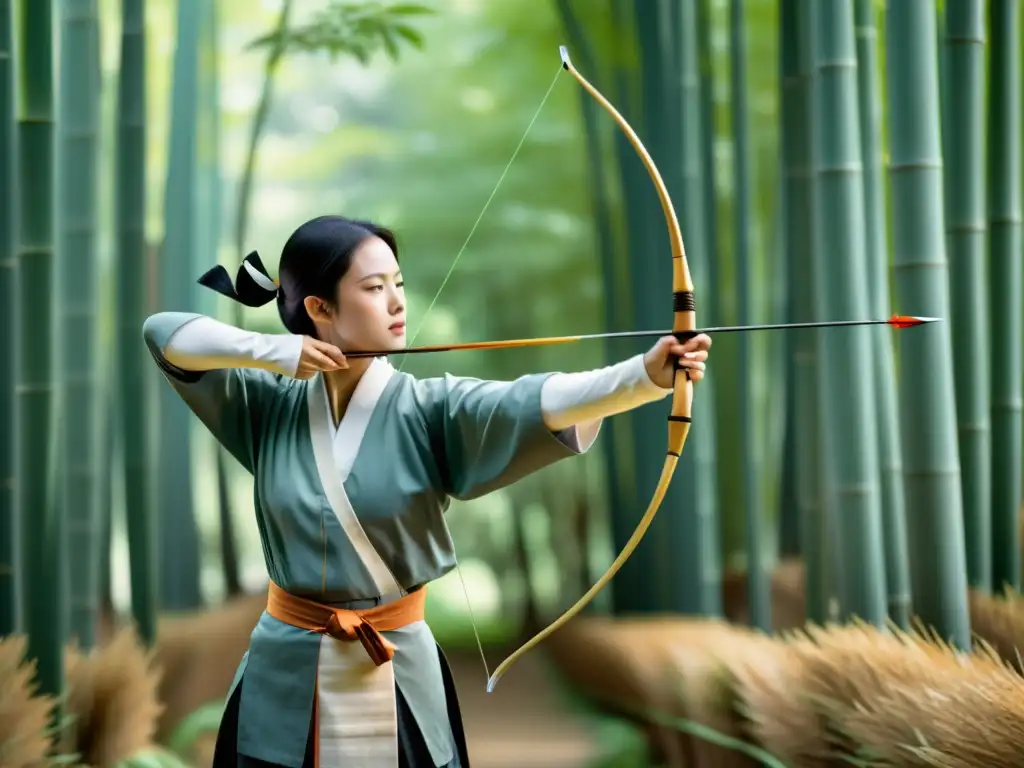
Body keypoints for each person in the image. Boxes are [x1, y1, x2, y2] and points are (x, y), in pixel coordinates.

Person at [142, 214, 712, 768]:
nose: (397, 303)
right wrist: (273, 352)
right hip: (285, 668)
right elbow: (163, 332)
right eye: (373, 287)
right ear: (319, 308)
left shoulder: (431, 407)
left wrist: (645, 375)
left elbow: (536, 400)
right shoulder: (265, 405)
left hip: (396, 667)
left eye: (399, 285)